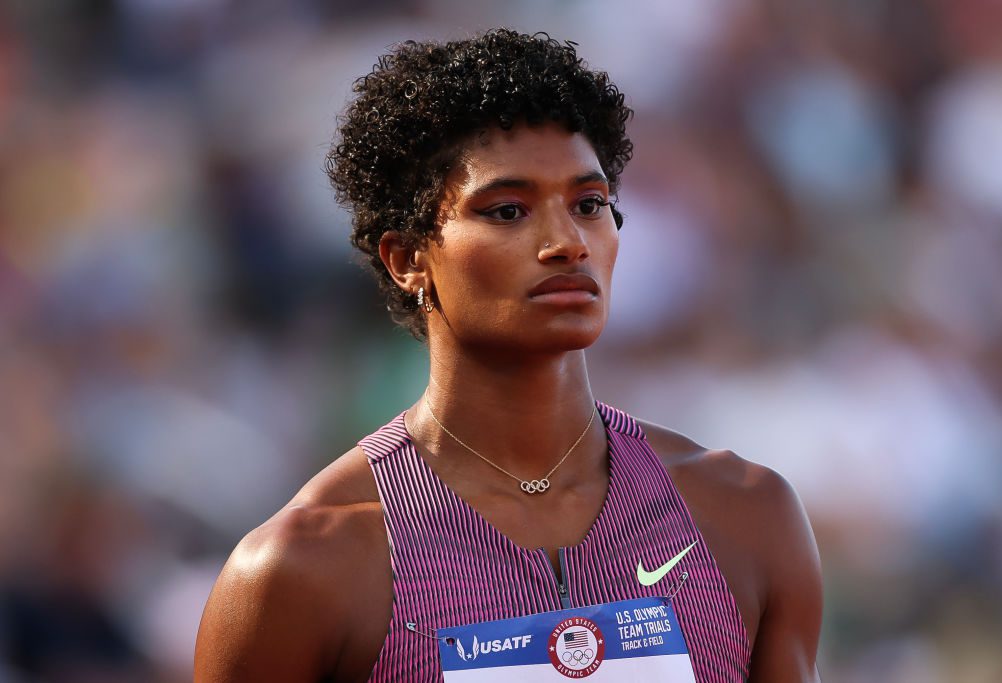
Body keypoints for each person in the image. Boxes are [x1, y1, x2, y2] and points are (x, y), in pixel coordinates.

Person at [194, 29, 822, 682]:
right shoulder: (304, 568)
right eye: (508, 210)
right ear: (408, 259)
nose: (567, 242)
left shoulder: (744, 517)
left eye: (588, 204)